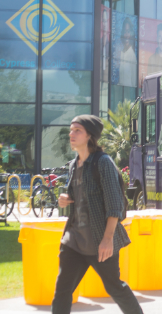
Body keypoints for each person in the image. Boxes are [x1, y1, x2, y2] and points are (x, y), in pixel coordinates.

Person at [53, 115, 143, 314]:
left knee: (114, 287)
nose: (71, 134)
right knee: (62, 290)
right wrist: (64, 200)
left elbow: (115, 205)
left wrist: (108, 239)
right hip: (74, 241)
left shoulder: (103, 163)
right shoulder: (73, 165)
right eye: (71, 129)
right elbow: (77, 202)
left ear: (89, 136)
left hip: (99, 240)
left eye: (77, 130)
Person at [115, 18, 137, 85]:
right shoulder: (120, 53)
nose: (127, 35)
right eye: (125, 32)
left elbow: (134, 82)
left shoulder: (132, 55)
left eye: (128, 32)